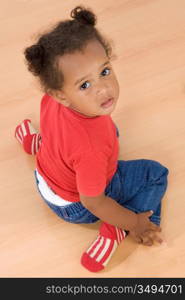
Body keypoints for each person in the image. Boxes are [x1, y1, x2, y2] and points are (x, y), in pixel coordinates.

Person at [15, 6, 169, 273]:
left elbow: (64, 136)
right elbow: (93, 201)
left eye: (105, 71)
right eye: (85, 85)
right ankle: (117, 229)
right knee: (155, 173)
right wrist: (134, 222)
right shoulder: (92, 149)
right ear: (61, 95)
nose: (103, 88)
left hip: (45, 175)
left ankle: (34, 143)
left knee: (96, 135)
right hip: (76, 205)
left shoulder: (52, 100)